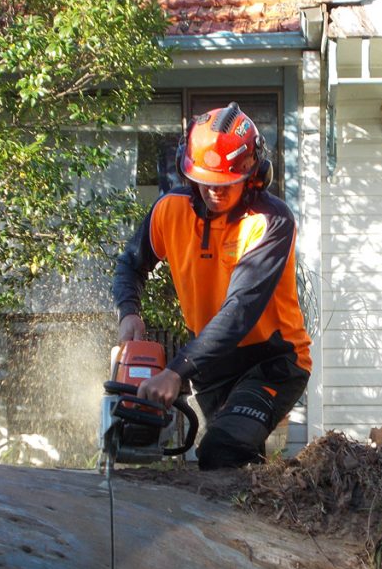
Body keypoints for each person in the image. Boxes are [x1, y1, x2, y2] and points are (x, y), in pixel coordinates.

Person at [113, 102, 312, 470]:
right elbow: (130, 263)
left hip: (271, 359)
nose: (215, 193)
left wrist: (175, 372)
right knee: (237, 459)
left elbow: (239, 312)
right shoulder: (169, 211)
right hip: (213, 367)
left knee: (221, 451)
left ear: (253, 173)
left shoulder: (269, 222)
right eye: (207, 184)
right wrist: (129, 311)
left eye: (227, 184)